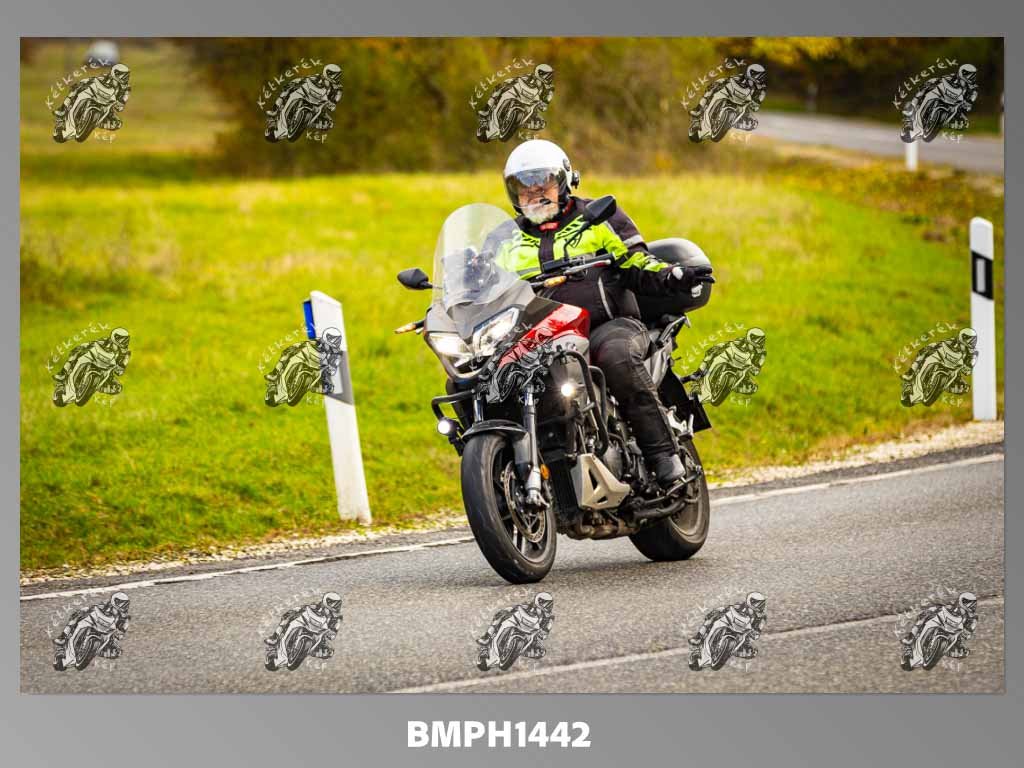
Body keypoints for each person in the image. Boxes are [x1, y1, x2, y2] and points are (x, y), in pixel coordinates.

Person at [491, 139, 714, 487]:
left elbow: (635, 260)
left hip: (605, 326)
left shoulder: (596, 217)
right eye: (525, 189)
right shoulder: (505, 239)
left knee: (616, 356)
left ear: (564, 182)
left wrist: (672, 274)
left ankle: (664, 455)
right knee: (485, 377)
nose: (535, 196)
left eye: (543, 186)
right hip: (540, 337)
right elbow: (483, 284)